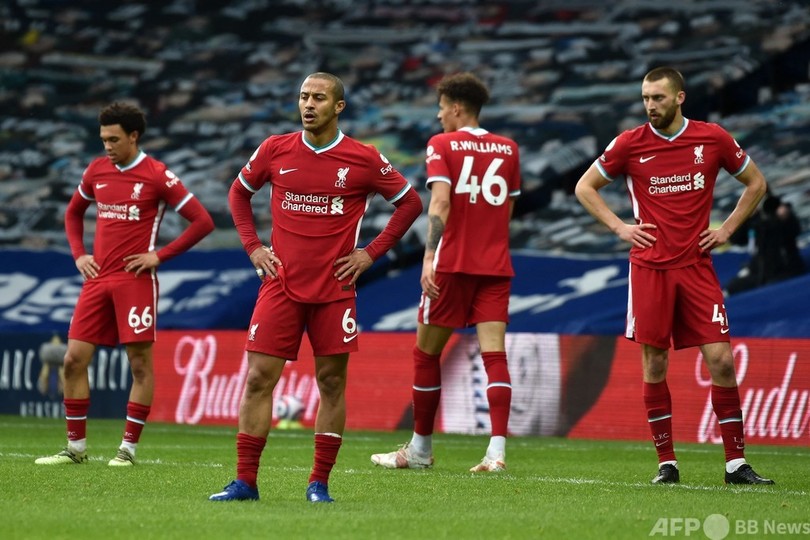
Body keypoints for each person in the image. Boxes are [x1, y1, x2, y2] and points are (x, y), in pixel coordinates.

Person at [209, 72, 422, 503]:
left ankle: (318, 483)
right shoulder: (275, 148)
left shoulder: (363, 158)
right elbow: (238, 193)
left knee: (331, 382)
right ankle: (245, 482)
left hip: (334, 288)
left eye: (319, 98)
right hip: (280, 284)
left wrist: (370, 253)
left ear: (338, 106)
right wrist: (253, 247)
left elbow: (410, 203)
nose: (308, 104)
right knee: (258, 379)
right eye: (304, 96)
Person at [575, 67, 774, 485]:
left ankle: (736, 464)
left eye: (658, 98)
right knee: (655, 361)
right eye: (646, 98)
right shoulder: (629, 143)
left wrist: (727, 229)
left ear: (680, 97)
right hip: (649, 269)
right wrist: (619, 227)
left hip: (697, 267)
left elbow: (756, 183)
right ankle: (667, 463)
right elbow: (585, 187)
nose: (650, 105)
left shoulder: (712, 138)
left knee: (721, 360)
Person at [35, 102, 215, 466]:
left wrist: (159, 256)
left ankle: (127, 450)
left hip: (135, 281)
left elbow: (202, 222)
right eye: (103, 139)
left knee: (139, 365)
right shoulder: (96, 170)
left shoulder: (157, 175)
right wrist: (79, 255)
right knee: (73, 360)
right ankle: (75, 448)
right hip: (97, 279)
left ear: (134, 136)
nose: (107, 146)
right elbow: (73, 213)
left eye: (114, 139)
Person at [370, 72, 521, 473]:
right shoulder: (508, 148)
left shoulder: (442, 144)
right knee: (495, 356)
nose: (438, 116)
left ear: (456, 107)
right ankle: (496, 453)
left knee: (425, 353)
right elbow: (507, 209)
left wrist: (429, 257)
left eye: (441, 108)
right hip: (495, 265)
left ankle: (420, 450)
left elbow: (440, 203)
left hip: (452, 264)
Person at [725, 193, 806, 295]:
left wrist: (785, 216)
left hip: (785, 268)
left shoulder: (779, 215)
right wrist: (744, 217)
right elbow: (736, 240)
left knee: (773, 286)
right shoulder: (754, 221)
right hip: (760, 270)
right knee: (732, 287)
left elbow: (794, 230)